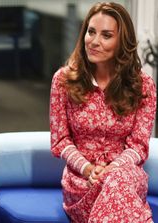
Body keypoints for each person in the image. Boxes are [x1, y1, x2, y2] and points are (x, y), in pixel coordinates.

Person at [50, 2, 156, 222]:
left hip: (126, 175)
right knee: (116, 188)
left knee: (118, 180)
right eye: (91, 32)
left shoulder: (143, 85)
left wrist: (113, 169)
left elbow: (139, 146)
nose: (94, 42)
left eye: (106, 35)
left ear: (121, 42)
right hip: (81, 181)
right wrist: (88, 169)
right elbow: (60, 140)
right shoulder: (63, 80)